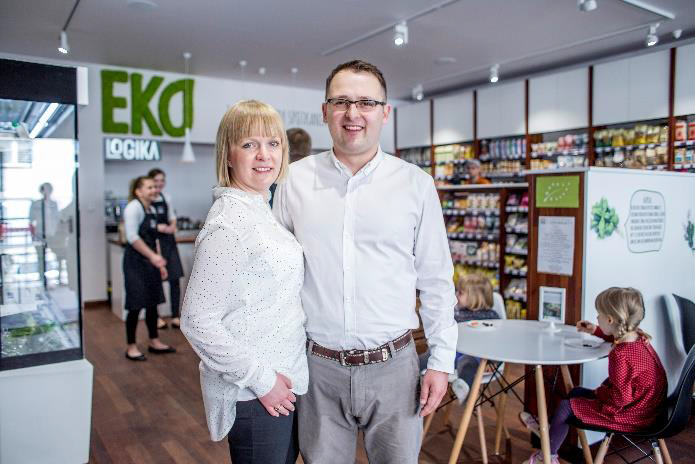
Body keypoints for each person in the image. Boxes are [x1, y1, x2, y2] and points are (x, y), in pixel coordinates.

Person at [272, 60, 457, 463]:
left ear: (385, 112)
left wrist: (441, 362)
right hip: (317, 368)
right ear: (325, 111)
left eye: (366, 103)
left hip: (395, 368)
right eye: (341, 102)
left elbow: (437, 281)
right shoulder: (292, 181)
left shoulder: (416, 185)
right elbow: (275, 280)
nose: (352, 113)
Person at [180, 100, 307, 464]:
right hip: (255, 393)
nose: (264, 155)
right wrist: (262, 379)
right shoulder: (229, 223)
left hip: (281, 384)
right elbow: (196, 321)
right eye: (250, 144)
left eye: (273, 143)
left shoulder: (259, 209)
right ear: (229, 154)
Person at [520, 287, 667, 464]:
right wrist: (595, 330)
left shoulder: (620, 355)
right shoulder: (637, 336)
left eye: (599, 315)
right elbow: (617, 336)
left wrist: (599, 392)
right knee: (575, 393)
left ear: (610, 320)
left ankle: (546, 457)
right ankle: (551, 431)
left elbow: (620, 399)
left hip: (632, 415)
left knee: (565, 407)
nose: (597, 317)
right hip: (648, 408)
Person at [122, 176, 176, 361]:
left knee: (153, 303)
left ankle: (154, 341)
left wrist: (160, 262)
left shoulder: (151, 209)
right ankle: (131, 347)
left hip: (152, 263)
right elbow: (132, 237)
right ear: (138, 191)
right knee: (135, 305)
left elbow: (154, 239)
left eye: (155, 187)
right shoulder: (133, 208)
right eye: (149, 187)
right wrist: (153, 257)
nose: (154, 190)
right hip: (135, 263)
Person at [148, 168, 184, 329]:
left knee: (174, 279)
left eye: (162, 180)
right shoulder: (146, 199)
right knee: (155, 281)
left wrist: (172, 226)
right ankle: (156, 317)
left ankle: (175, 316)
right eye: (156, 180)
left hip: (169, 242)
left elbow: (172, 217)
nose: (159, 184)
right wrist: (159, 227)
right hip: (154, 242)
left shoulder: (166, 197)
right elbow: (145, 224)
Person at [29, 182, 61, 282]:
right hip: (39, 234)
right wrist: (33, 235)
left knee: (58, 256)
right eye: (44, 189)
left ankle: (59, 278)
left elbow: (57, 219)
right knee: (41, 258)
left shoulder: (54, 204)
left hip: (52, 234)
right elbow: (31, 220)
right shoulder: (36, 204)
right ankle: (42, 279)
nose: (46, 192)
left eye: (48, 189)